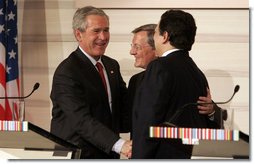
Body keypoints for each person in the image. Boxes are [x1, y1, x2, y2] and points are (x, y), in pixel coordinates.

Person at [131, 9, 221, 159]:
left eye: (156, 32)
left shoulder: (159, 67)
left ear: (165, 36)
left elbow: (148, 121)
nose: (154, 37)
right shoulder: (197, 73)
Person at [50, 6, 131, 159]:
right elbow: (80, 120)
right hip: (76, 154)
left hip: (107, 153)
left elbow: (123, 110)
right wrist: (120, 145)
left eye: (106, 30)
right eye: (96, 31)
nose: (103, 37)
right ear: (78, 35)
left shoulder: (111, 65)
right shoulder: (67, 71)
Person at [125, 24, 226, 135]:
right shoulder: (136, 81)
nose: (132, 52)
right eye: (132, 46)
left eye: (137, 47)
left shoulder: (189, 74)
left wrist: (212, 111)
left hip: (170, 148)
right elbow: (127, 121)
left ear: (156, 47)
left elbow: (200, 120)